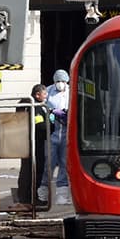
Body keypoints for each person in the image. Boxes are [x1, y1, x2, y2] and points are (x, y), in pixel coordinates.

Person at [9, 84, 48, 212]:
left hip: (32, 142)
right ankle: (28, 199)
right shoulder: (34, 107)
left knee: (31, 170)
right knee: (32, 170)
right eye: (44, 93)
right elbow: (40, 125)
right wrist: (51, 122)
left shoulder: (32, 106)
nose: (46, 96)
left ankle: (29, 197)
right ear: (37, 95)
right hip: (34, 143)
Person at [38, 69, 71, 205]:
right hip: (51, 133)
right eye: (58, 81)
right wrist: (52, 112)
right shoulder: (49, 91)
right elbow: (43, 105)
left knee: (64, 163)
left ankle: (62, 195)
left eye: (62, 81)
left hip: (66, 133)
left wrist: (66, 113)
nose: (60, 84)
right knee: (49, 163)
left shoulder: (71, 91)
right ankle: (43, 192)